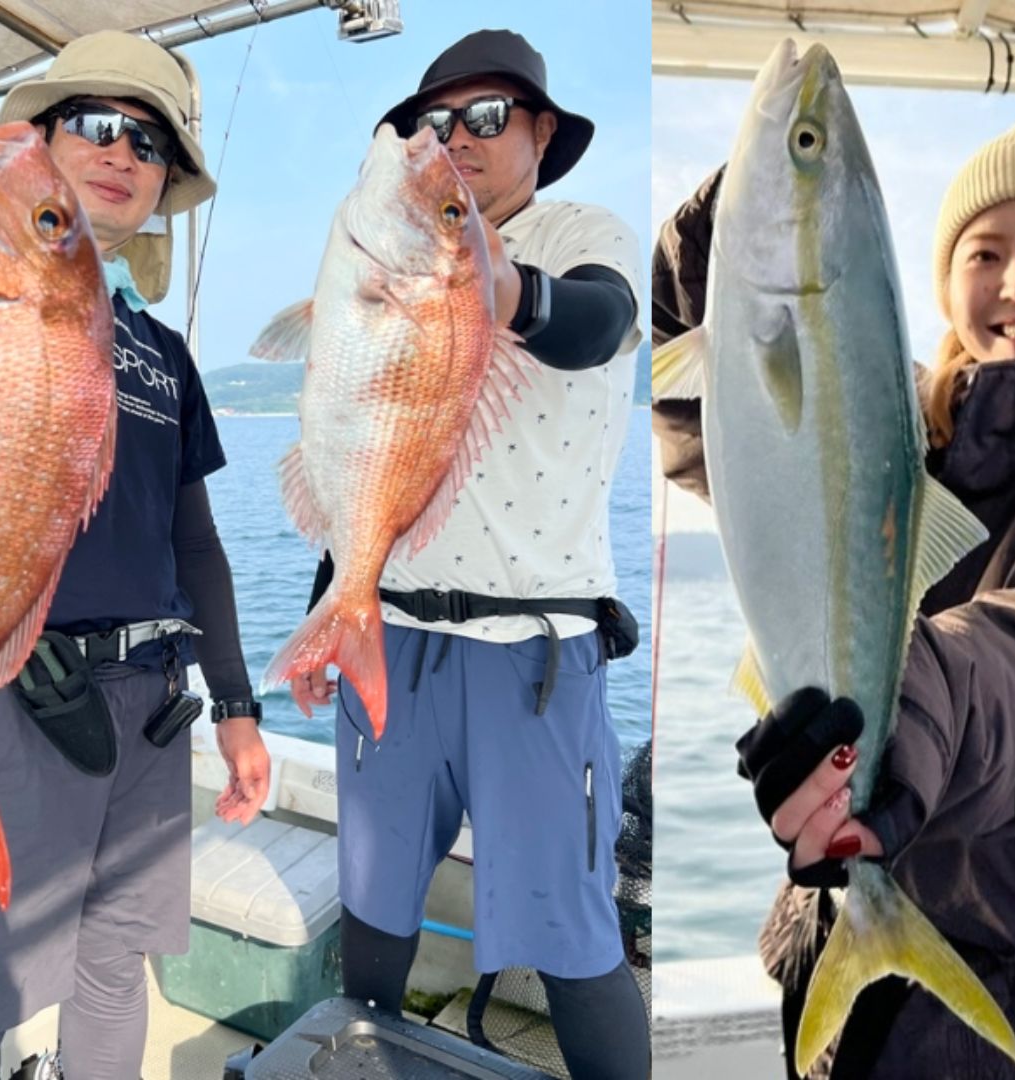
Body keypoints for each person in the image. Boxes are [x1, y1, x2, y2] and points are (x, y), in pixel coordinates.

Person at [655, 117, 1015, 1079]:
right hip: (845, 1009)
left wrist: (896, 716)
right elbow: (718, 403)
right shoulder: (892, 423)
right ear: (939, 283)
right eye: (984, 253)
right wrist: (736, 219)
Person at [0, 31, 270, 1080]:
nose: (125, 152)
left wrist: (236, 708)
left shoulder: (166, 354)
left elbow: (195, 542)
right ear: (36, 140)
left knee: (114, 966)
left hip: (148, 705)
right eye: (95, 125)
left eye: (150, 144)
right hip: (6, 691)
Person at [294, 29, 650, 1080]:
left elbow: (601, 320)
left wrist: (505, 291)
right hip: (386, 636)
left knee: (574, 937)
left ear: (542, 131)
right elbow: (358, 442)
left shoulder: (585, 231)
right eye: (434, 122)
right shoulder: (391, 249)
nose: (456, 139)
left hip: (531, 658)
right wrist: (329, 608)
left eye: (486, 116)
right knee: (374, 903)